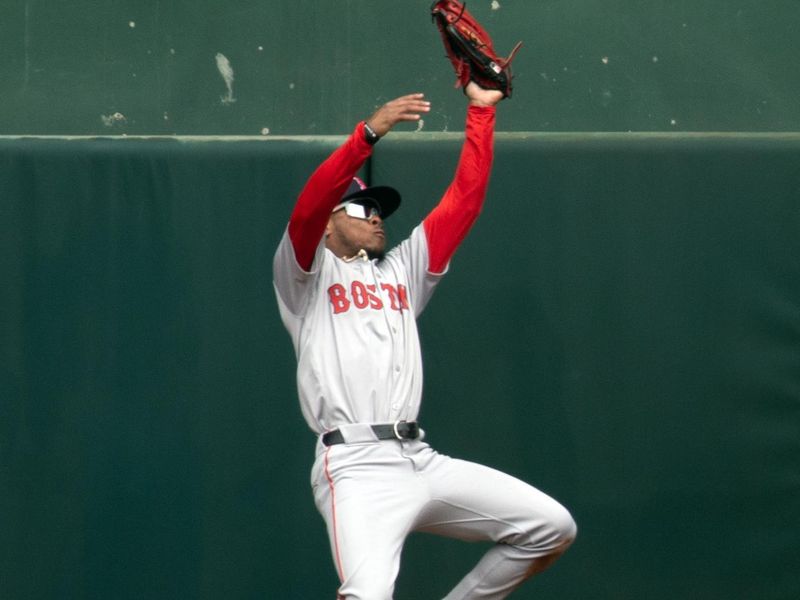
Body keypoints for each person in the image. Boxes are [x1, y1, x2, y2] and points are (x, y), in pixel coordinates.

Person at [272, 82, 576, 600]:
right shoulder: (304, 275)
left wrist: (481, 113)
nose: (374, 216)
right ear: (328, 228)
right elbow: (309, 206)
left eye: (377, 211)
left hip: (420, 458)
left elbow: (464, 202)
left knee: (550, 527)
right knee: (367, 593)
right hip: (355, 467)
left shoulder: (402, 272)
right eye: (359, 208)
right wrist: (368, 135)